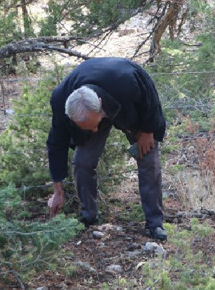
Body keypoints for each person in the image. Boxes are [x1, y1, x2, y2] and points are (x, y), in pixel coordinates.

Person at [46, 57, 168, 241]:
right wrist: (57, 191)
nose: (95, 131)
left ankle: (155, 222)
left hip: (125, 101)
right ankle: (89, 216)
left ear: (101, 105)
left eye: (95, 126)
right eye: (88, 128)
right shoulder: (60, 98)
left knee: (148, 158)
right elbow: (56, 144)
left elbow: (150, 100)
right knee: (82, 161)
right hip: (95, 105)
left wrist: (148, 130)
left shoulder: (128, 81)